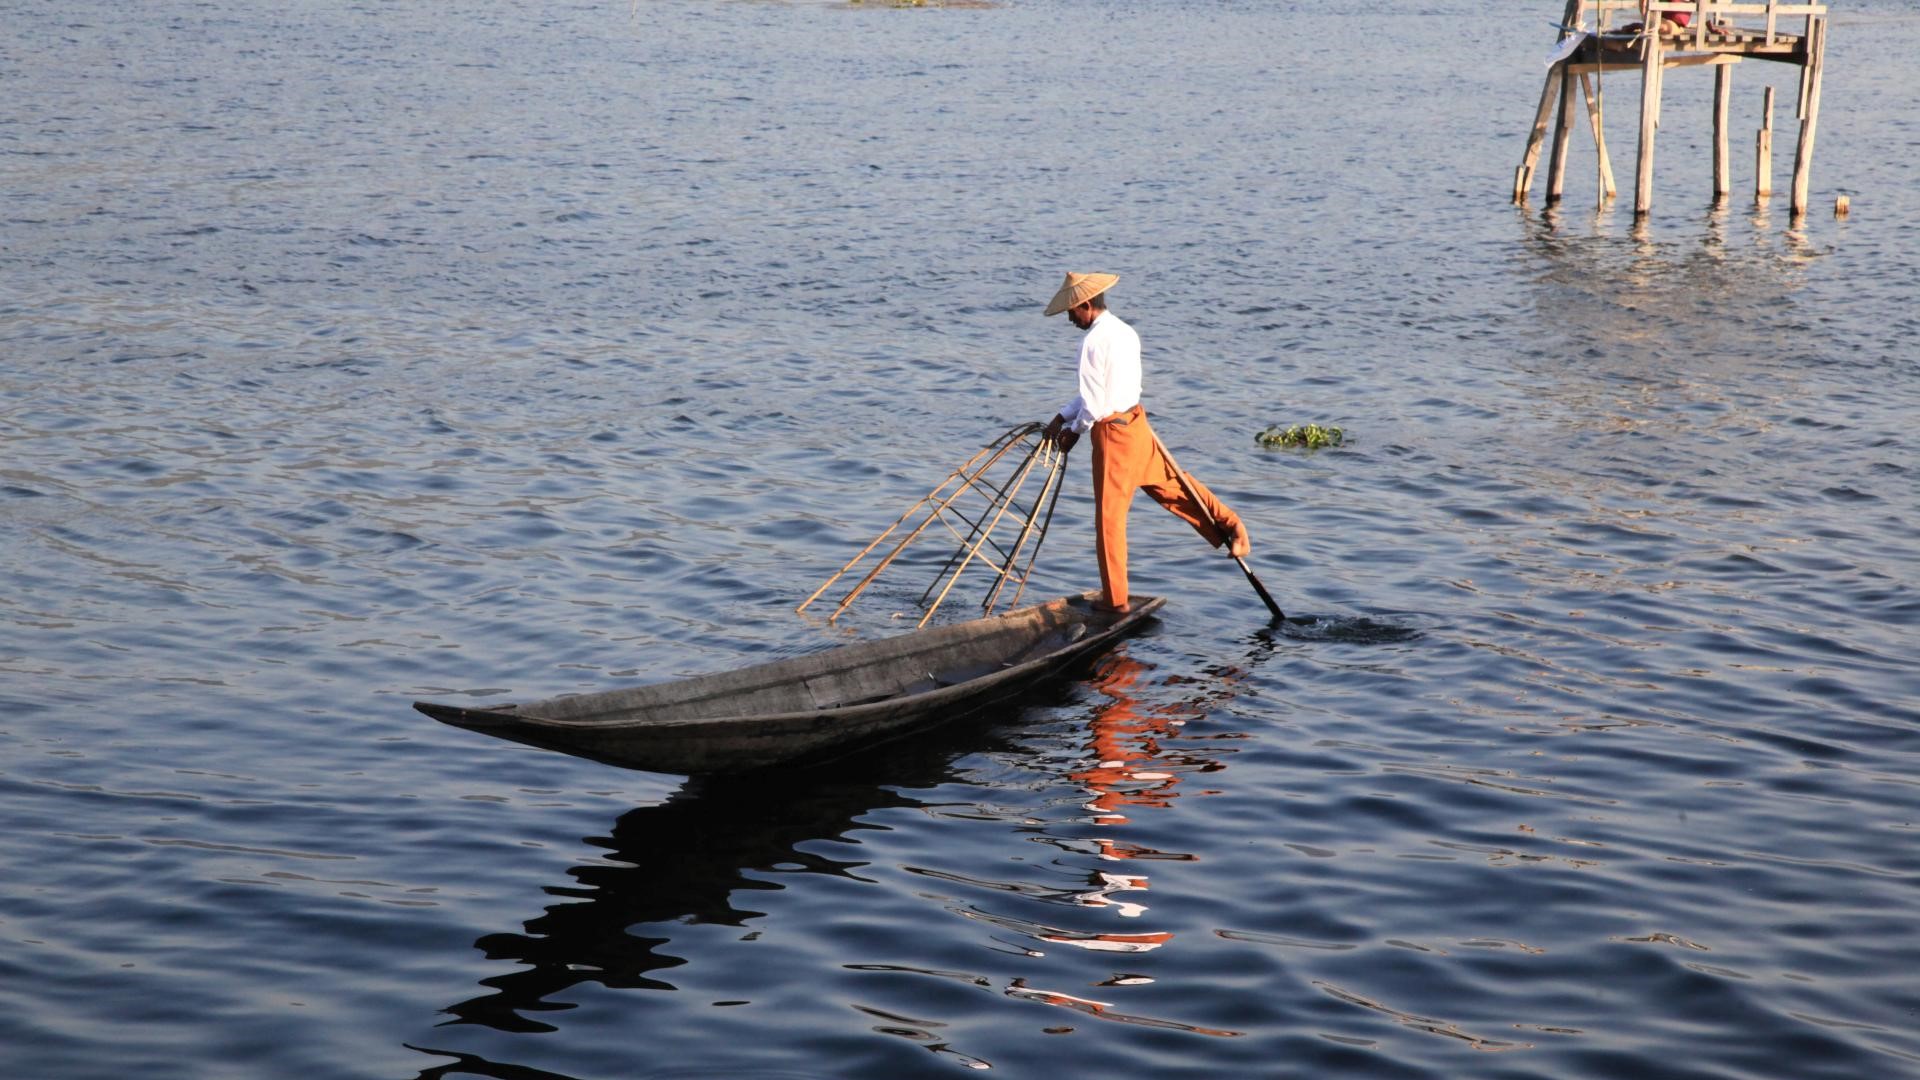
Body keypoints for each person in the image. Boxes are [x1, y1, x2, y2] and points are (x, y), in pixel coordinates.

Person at [1040, 271, 1251, 614]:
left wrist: (1073, 432)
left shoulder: (1092, 342)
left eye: (1071, 311)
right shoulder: (1125, 332)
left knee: (1109, 523)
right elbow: (1103, 393)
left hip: (1113, 437)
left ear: (1086, 305)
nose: (1069, 318)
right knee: (1177, 488)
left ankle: (1116, 604)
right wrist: (1062, 416)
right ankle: (1233, 526)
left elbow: (1095, 404)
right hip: (1137, 425)